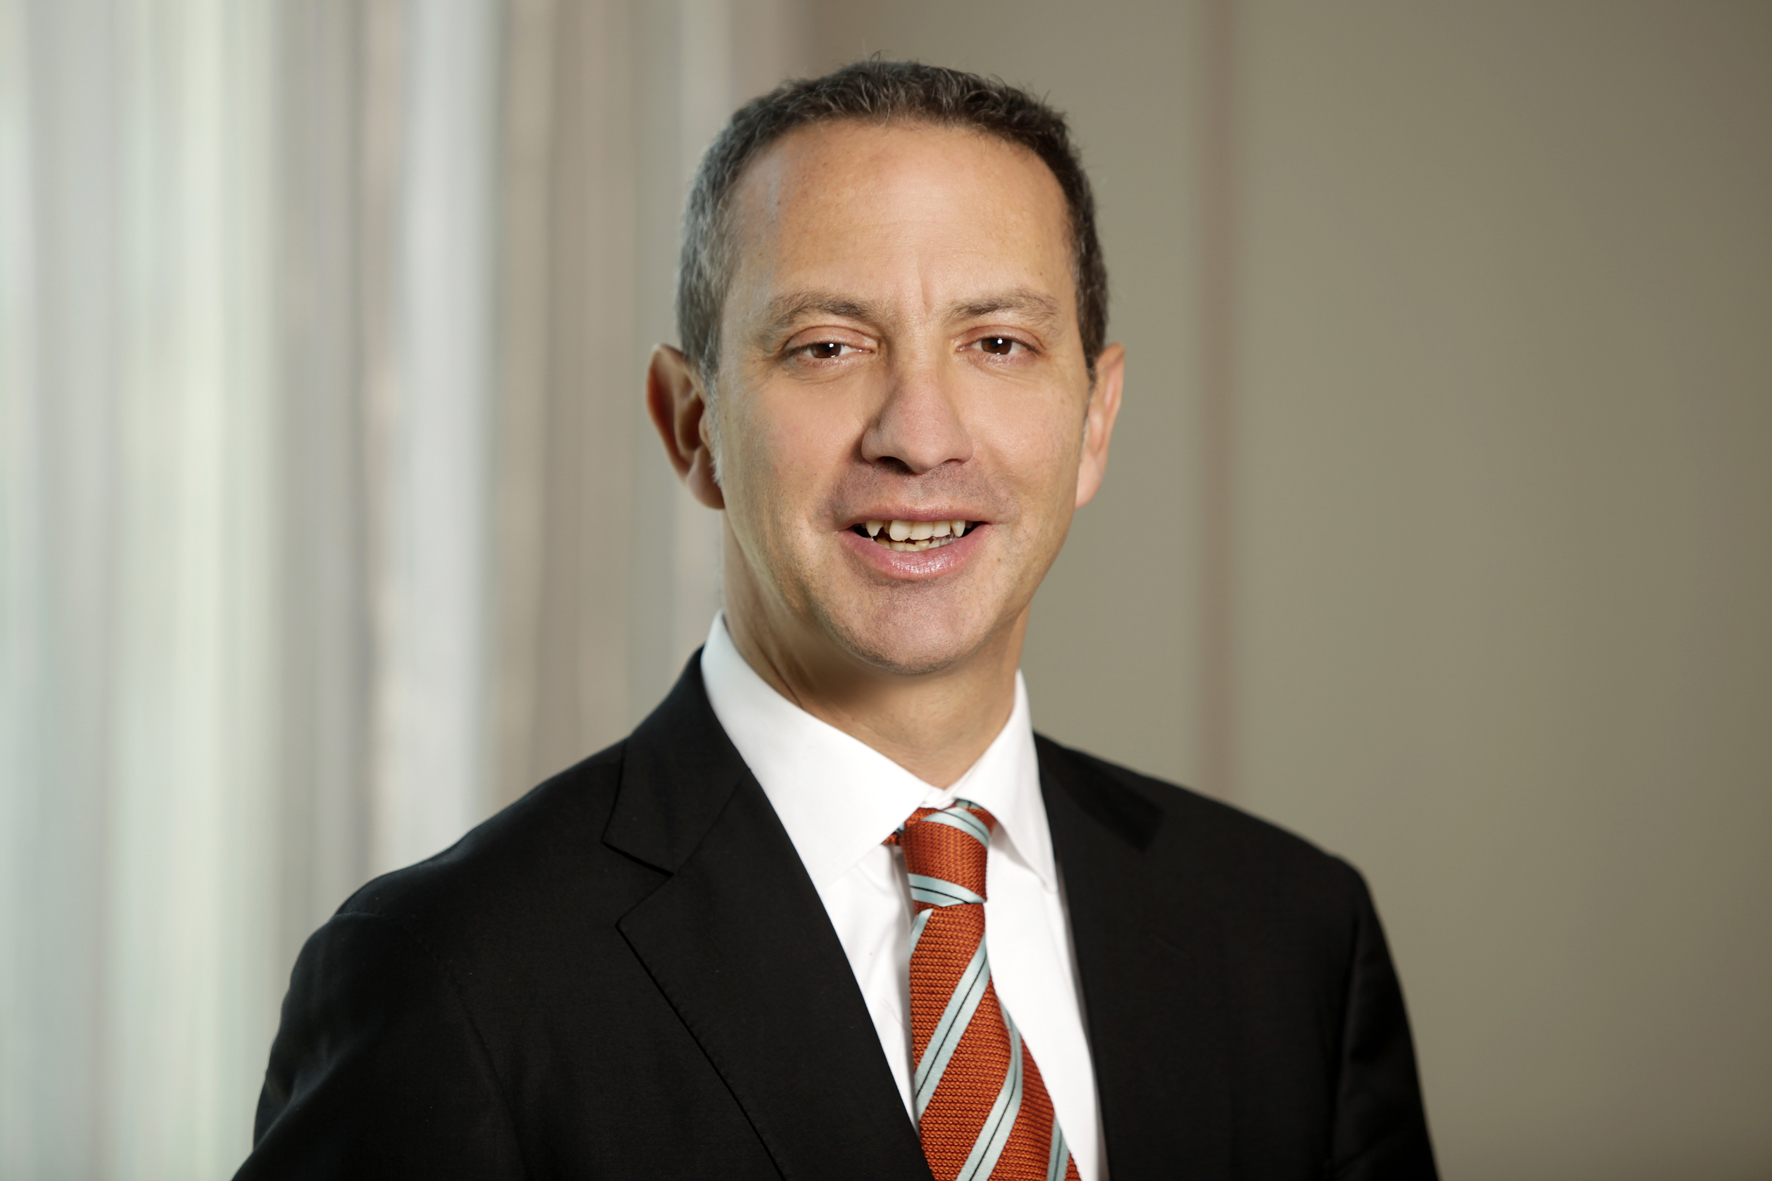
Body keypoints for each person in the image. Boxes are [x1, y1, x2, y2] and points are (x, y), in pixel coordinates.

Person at [236, 61, 1436, 1181]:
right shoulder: (450, 974)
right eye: (826, 345)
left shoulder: (1290, 934)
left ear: (1094, 418)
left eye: (998, 342)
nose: (918, 433)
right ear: (692, 423)